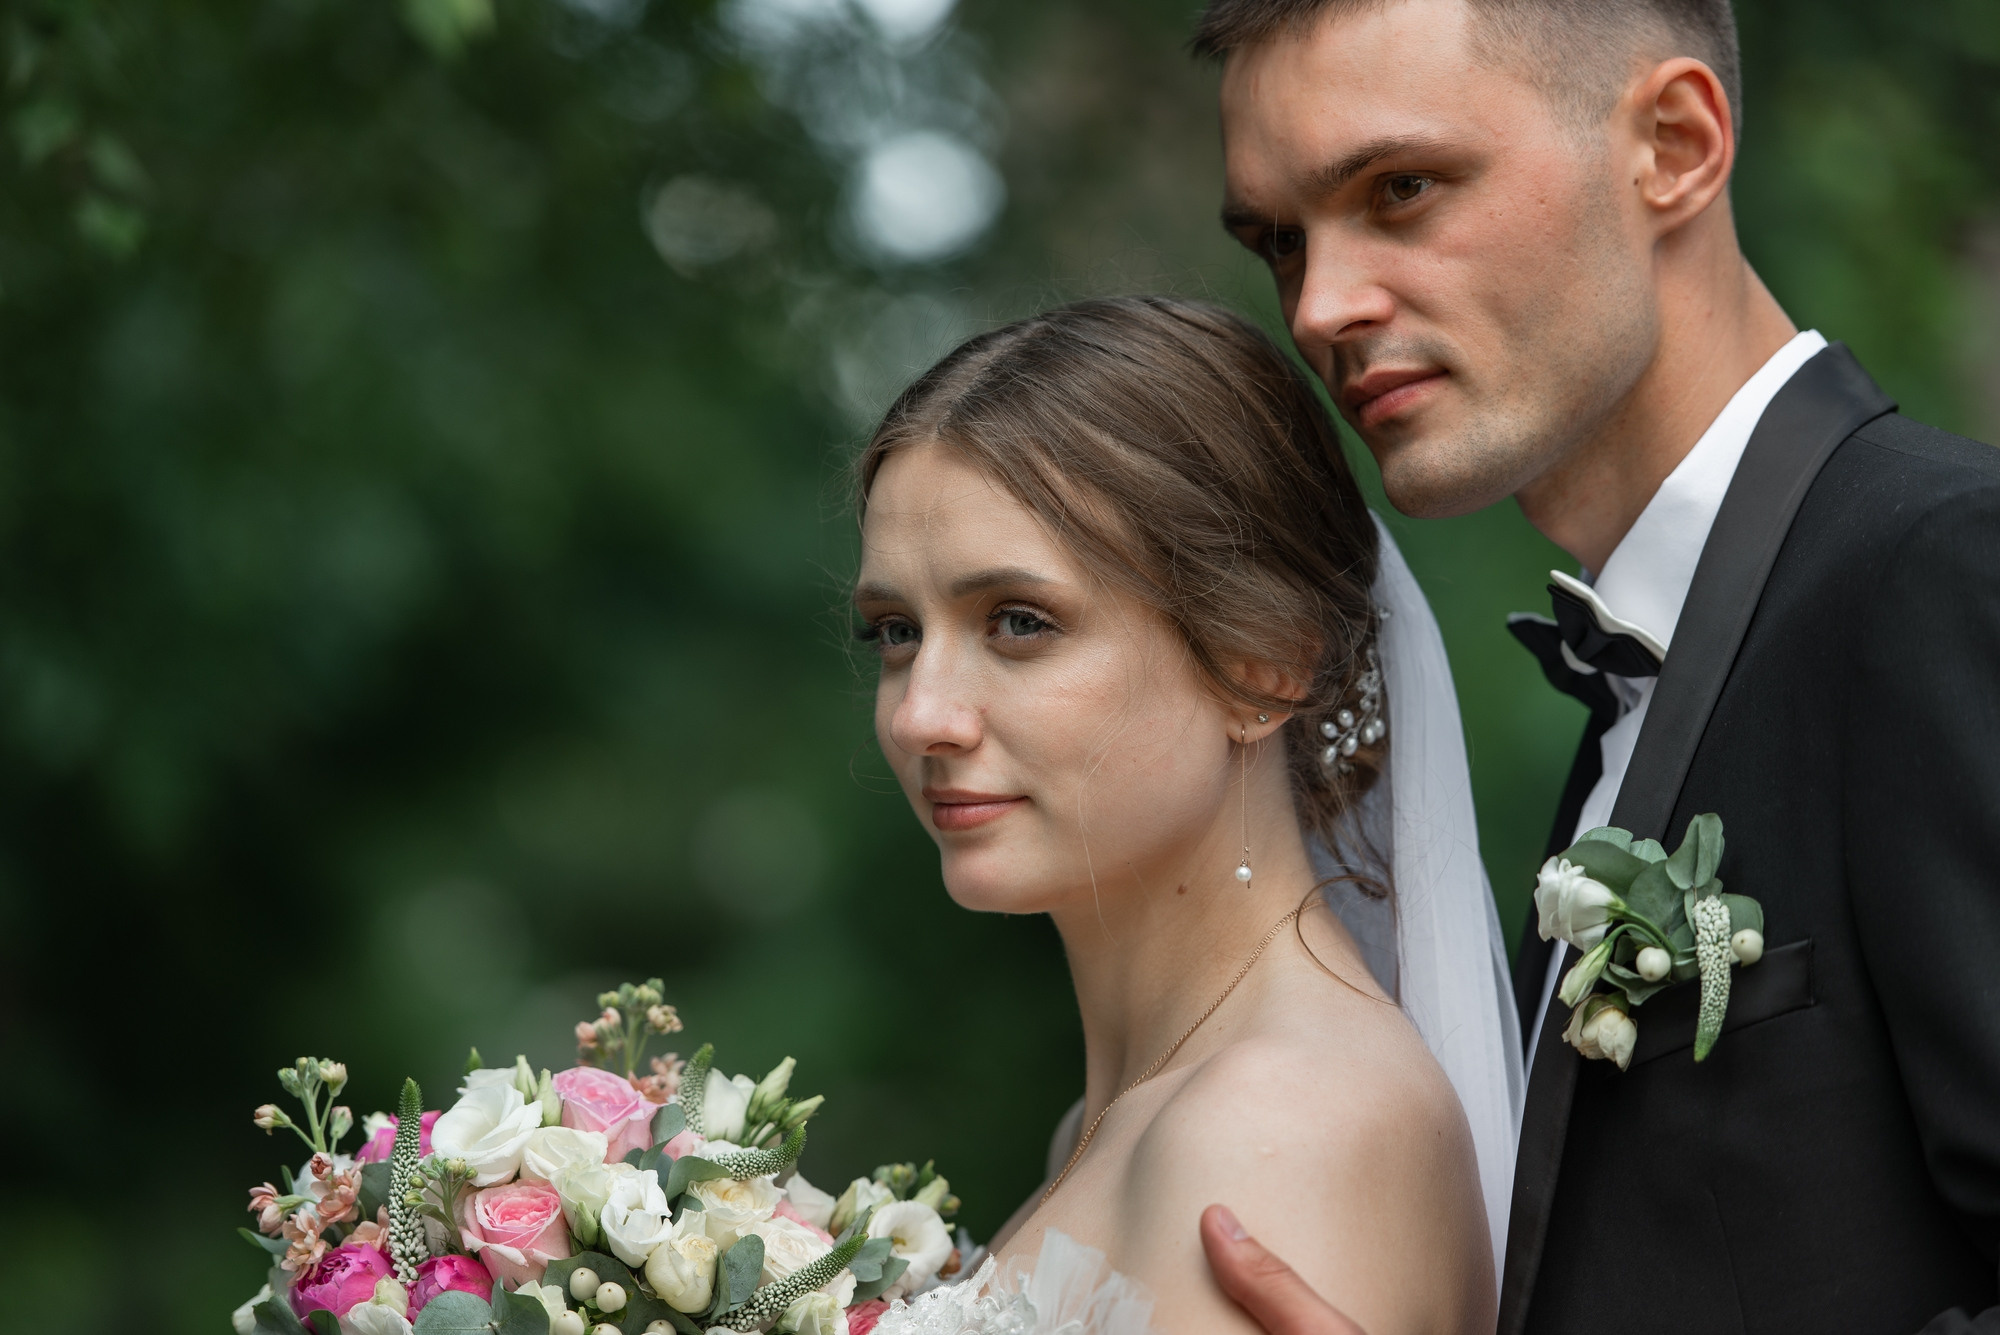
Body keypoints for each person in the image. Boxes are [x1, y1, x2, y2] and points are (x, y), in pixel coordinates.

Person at [1189, 1, 2000, 1333]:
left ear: (1674, 144)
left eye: (1401, 190)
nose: (1322, 307)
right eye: (1281, 242)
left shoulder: (1951, 572)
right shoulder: (1639, 676)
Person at [851, 295, 1520, 1335]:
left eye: (1018, 622)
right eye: (894, 630)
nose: (923, 714)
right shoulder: (1118, 1122)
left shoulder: (1279, 1125)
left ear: (1263, 664)